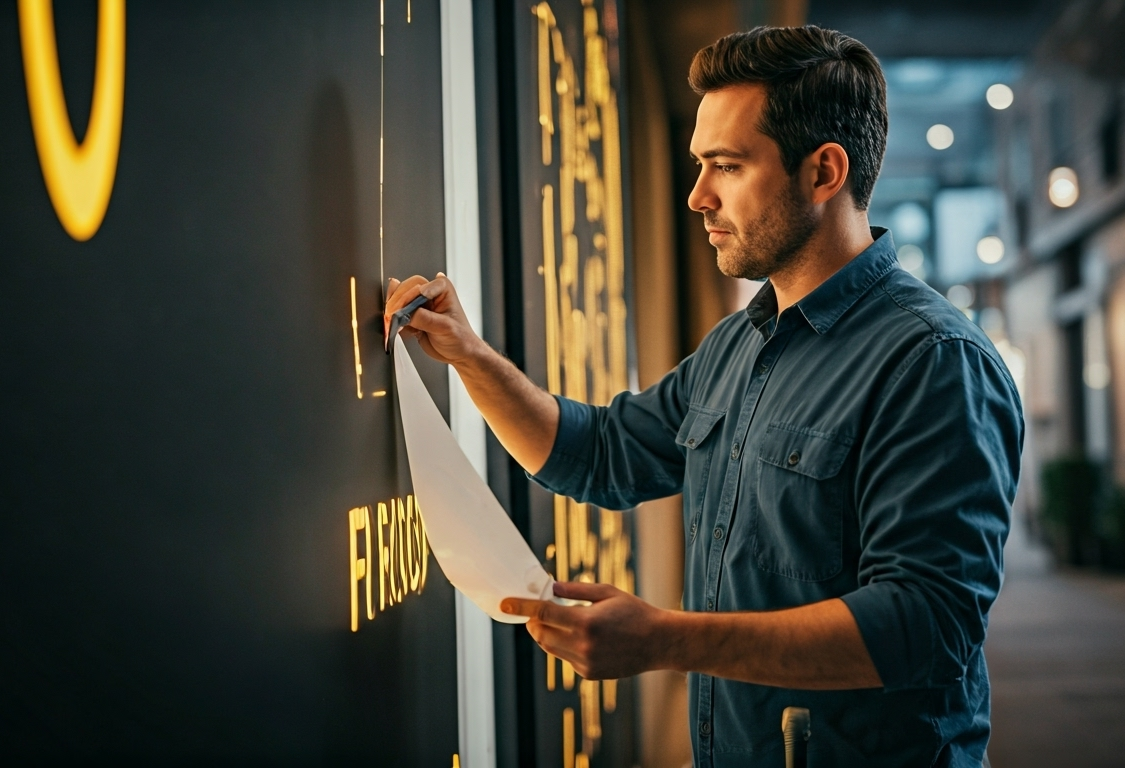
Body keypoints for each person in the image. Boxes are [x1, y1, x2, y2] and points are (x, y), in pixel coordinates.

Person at [386, 25, 1021, 768]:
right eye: (700, 165)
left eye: (726, 165)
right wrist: (471, 356)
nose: (697, 196)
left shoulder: (933, 361)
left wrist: (665, 639)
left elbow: (926, 626)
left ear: (823, 172)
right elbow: (598, 456)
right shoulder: (738, 344)